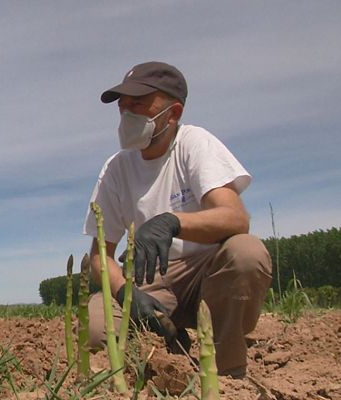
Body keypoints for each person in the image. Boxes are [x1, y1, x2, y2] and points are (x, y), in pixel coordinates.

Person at [82, 61, 271, 378]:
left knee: (246, 253)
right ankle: (168, 343)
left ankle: (228, 371)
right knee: (98, 333)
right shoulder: (115, 168)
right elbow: (100, 256)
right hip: (148, 277)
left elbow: (236, 218)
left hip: (204, 271)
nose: (127, 115)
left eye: (138, 104)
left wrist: (173, 222)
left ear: (174, 112)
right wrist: (125, 292)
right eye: (123, 107)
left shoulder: (195, 144)